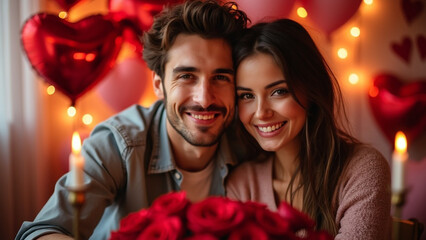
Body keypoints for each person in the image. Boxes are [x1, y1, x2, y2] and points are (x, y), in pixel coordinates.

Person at [16, 1, 248, 239]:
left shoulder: (248, 142)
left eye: (220, 77)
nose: (204, 98)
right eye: (187, 76)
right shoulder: (118, 143)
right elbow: (41, 232)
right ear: (159, 85)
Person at [226, 19, 391, 239]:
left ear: (311, 89)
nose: (261, 112)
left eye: (278, 92)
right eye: (246, 96)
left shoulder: (361, 170)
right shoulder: (242, 184)